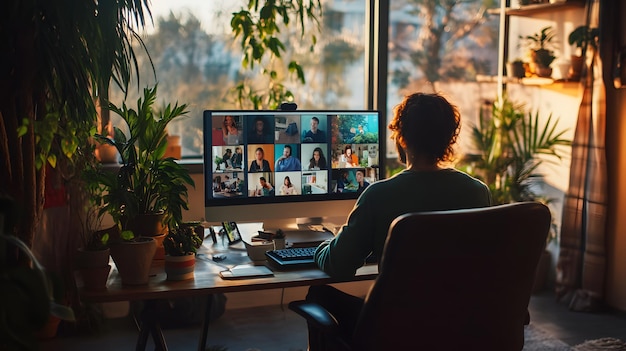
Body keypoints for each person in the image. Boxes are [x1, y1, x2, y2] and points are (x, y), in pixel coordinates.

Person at [305, 92, 493, 348]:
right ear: (449, 138)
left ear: (401, 137)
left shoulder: (379, 195)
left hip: (393, 330)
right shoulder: (476, 192)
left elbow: (338, 266)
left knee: (318, 294)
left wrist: (321, 246)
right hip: (456, 327)